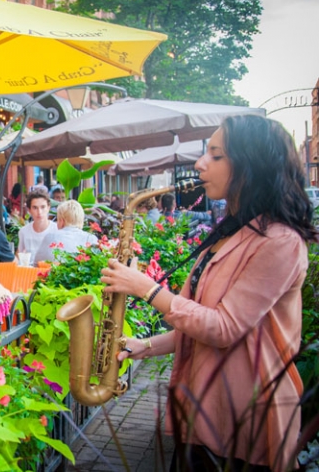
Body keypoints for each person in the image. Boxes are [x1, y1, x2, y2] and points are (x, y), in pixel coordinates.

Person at [101, 115, 316, 471]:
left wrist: (146, 288)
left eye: (216, 155)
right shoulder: (233, 231)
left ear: (252, 164)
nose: (200, 164)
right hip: (201, 416)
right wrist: (147, 347)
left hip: (242, 425)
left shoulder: (281, 242)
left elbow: (222, 328)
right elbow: (201, 321)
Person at [34, 200, 98, 264]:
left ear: (62, 221)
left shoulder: (50, 237)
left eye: (57, 220)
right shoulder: (91, 238)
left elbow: (37, 263)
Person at [17, 191, 55, 260]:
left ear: (48, 208)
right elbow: (19, 254)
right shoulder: (24, 231)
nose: (39, 212)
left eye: (43, 207)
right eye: (35, 208)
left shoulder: (56, 230)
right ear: (29, 210)